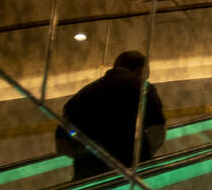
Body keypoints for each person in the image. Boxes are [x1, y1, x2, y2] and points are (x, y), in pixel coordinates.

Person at [55, 50, 166, 180]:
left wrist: (88, 157)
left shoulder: (81, 96)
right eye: (146, 75)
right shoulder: (143, 89)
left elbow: (61, 144)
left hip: (88, 175)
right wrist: (142, 156)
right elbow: (157, 131)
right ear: (141, 70)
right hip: (131, 172)